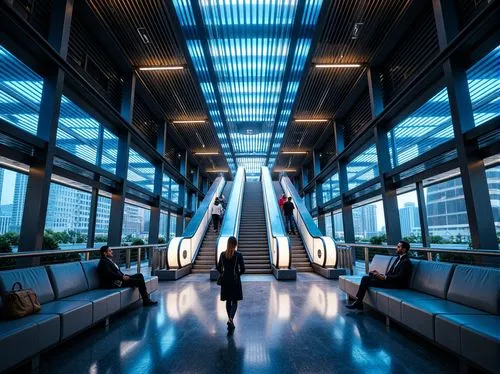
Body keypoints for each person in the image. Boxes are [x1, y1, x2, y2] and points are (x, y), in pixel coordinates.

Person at [346, 240, 412, 310]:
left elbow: (399, 277)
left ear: (404, 249)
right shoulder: (398, 258)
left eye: (398, 247)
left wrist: (385, 277)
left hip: (396, 284)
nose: (396, 248)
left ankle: (359, 302)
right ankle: (359, 302)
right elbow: (391, 272)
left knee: (365, 279)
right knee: (370, 275)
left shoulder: (406, 262)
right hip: (390, 280)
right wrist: (379, 274)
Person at [217, 236, 245, 331]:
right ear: (235, 244)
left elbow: (218, 267)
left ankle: (230, 320)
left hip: (225, 280)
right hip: (234, 280)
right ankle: (231, 319)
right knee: (235, 301)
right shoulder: (238, 255)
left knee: (228, 301)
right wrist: (237, 274)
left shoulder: (222, 254)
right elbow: (243, 269)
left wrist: (223, 273)